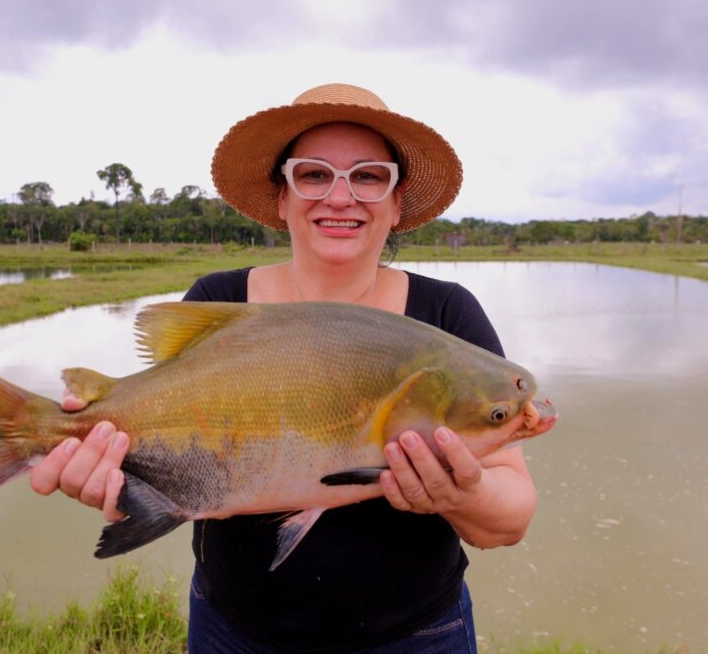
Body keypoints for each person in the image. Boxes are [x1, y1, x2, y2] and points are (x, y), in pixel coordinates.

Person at [29, 83, 538, 652]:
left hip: (419, 635)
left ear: (397, 203)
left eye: (368, 176)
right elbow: (161, 459)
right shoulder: (217, 298)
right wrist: (106, 474)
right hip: (234, 633)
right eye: (314, 174)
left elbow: (510, 519)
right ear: (281, 197)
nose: (340, 197)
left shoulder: (447, 314)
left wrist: (457, 493)